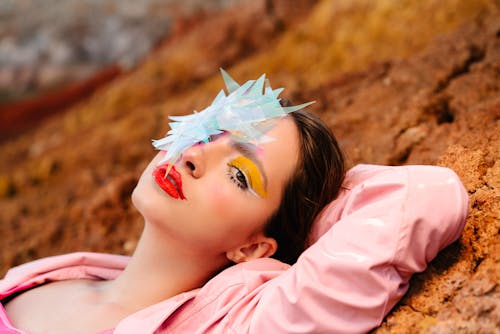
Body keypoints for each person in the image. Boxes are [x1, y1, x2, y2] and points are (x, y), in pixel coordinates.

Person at [0, 71, 468, 334]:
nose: (195, 155)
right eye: (211, 131)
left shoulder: (235, 325)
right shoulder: (58, 273)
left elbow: (424, 196)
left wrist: (310, 222)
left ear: (253, 247)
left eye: (240, 173)